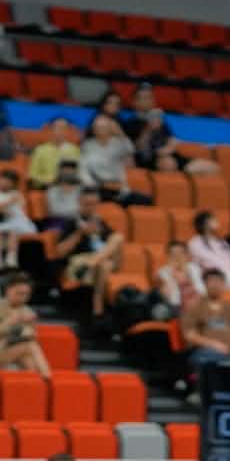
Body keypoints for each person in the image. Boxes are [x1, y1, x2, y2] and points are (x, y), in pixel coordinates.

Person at [57, 189, 124, 319]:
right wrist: (80, 233)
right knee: (103, 266)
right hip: (80, 261)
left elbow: (113, 245)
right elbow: (60, 252)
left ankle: (91, 264)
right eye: (88, 204)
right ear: (79, 203)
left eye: (95, 204)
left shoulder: (100, 222)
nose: (92, 208)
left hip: (97, 261)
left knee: (118, 237)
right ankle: (97, 309)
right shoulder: (71, 222)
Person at [181, 268, 230, 382]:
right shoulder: (195, 307)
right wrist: (213, 344)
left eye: (219, 282)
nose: (215, 285)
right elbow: (190, 335)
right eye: (211, 281)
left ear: (224, 284)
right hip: (208, 351)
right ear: (205, 284)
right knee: (209, 359)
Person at [0, 273, 50, 376]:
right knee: (30, 347)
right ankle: (48, 380)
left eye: (26, 294)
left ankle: (37, 386)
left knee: (29, 360)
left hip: (16, 350)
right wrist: (10, 322)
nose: (23, 298)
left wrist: (30, 328)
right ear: (8, 290)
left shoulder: (27, 311)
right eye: (19, 293)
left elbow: (32, 337)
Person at [78, 114, 150, 205]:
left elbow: (129, 150)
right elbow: (83, 169)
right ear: (93, 129)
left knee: (146, 200)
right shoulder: (88, 145)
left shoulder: (118, 143)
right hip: (98, 187)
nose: (100, 130)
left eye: (103, 127)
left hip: (118, 187)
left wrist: (120, 133)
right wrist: (92, 186)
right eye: (97, 127)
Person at [0, 169, 35, 270]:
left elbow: (2, 207)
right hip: (7, 221)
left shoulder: (16, 194)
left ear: (13, 183)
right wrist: (1, 209)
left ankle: (11, 258)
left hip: (20, 221)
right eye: (3, 180)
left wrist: (1, 208)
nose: (5, 183)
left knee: (13, 231)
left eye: (8, 181)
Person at [154, 240, 201, 320]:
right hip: (175, 308)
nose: (177, 257)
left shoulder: (195, 269)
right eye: (173, 254)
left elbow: (201, 291)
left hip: (195, 305)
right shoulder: (162, 273)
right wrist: (171, 275)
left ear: (187, 255)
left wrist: (187, 274)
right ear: (167, 256)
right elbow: (172, 299)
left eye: (180, 253)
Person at [28, 119, 80, 190]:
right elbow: (32, 176)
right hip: (46, 187)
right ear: (51, 130)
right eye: (56, 128)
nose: (60, 131)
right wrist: (49, 181)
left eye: (63, 128)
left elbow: (79, 173)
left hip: (69, 188)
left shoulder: (75, 150)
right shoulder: (40, 150)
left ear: (68, 131)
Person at [43, 160, 84, 232]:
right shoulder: (52, 190)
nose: (68, 173)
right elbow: (55, 210)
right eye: (66, 170)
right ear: (60, 172)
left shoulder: (81, 189)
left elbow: (85, 208)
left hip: (78, 220)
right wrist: (76, 211)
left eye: (71, 170)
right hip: (59, 221)